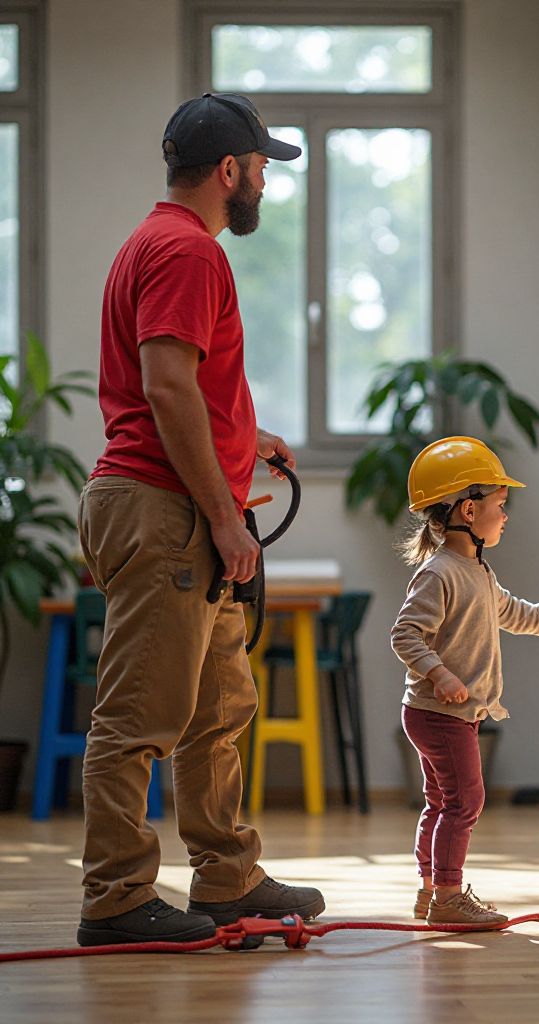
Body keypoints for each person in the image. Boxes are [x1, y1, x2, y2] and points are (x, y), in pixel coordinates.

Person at [76, 93, 324, 947]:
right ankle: (115, 899)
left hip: (171, 500)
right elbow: (166, 386)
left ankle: (227, 878)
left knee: (219, 706)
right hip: (164, 511)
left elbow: (185, 391)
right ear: (230, 171)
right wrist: (224, 518)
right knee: (139, 716)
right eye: (262, 168)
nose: (265, 183)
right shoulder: (188, 252)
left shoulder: (161, 243)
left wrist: (247, 441)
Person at [391, 436, 539, 928]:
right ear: (469, 510)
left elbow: (511, 612)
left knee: (442, 803)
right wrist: (441, 673)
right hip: (439, 712)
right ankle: (448, 896)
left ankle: (431, 893)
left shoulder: (476, 571)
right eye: (500, 504)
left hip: (449, 714)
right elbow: (405, 634)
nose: (506, 514)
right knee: (465, 802)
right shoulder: (439, 573)